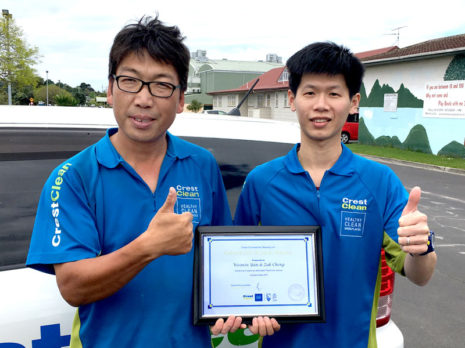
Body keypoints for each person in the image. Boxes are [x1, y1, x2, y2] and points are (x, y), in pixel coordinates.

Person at [26, 15, 243, 347]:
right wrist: (149, 246)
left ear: (181, 98)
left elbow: (219, 264)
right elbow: (73, 287)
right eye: (131, 81)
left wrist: (240, 305)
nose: (144, 98)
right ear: (111, 89)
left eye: (161, 85)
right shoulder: (73, 177)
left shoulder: (201, 164)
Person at [234, 42, 437, 347]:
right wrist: (251, 313)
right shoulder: (261, 182)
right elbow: (240, 268)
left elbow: (419, 275)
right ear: (292, 99)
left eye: (334, 93)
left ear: (353, 102)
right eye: (310, 92)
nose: (321, 105)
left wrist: (420, 248)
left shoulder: (379, 181)